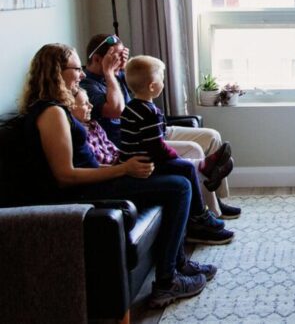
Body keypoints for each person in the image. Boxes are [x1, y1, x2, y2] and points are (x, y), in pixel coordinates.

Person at [20, 44, 216, 308]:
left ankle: (177, 264)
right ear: (56, 71)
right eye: (76, 68)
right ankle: (167, 281)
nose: (81, 74)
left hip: (96, 181)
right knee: (179, 187)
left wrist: (123, 166)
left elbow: (83, 163)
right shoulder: (51, 113)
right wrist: (124, 169)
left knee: (178, 175)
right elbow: (65, 176)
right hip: (85, 193)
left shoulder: (56, 108)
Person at [80, 34, 241, 220]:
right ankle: (210, 211)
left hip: (155, 128)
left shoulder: (119, 75)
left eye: (120, 54)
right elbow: (116, 109)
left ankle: (215, 200)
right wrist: (109, 73)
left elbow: (142, 80)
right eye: (114, 56)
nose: (118, 60)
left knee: (212, 136)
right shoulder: (88, 86)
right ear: (97, 59)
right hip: (137, 139)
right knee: (195, 149)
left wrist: (124, 68)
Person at [71, 86, 234, 245]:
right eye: (85, 103)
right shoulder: (80, 133)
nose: (91, 106)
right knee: (183, 171)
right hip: (119, 170)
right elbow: (96, 165)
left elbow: (113, 149)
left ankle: (208, 195)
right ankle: (202, 197)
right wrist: (124, 166)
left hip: (124, 160)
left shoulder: (94, 125)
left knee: (190, 157)